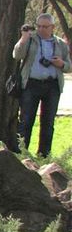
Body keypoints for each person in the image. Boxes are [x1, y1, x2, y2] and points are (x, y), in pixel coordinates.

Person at [13, 13, 72, 157]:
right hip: (31, 85)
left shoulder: (60, 44)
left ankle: (44, 155)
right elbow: (17, 55)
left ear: (52, 27)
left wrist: (61, 64)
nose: (41, 29)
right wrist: (23, 38)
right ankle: (22, 153)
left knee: (48, 123)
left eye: (45, 27)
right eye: (38, 26)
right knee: (26, 120)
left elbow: (69, 66)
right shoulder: (31, 39)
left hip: (52, 86)